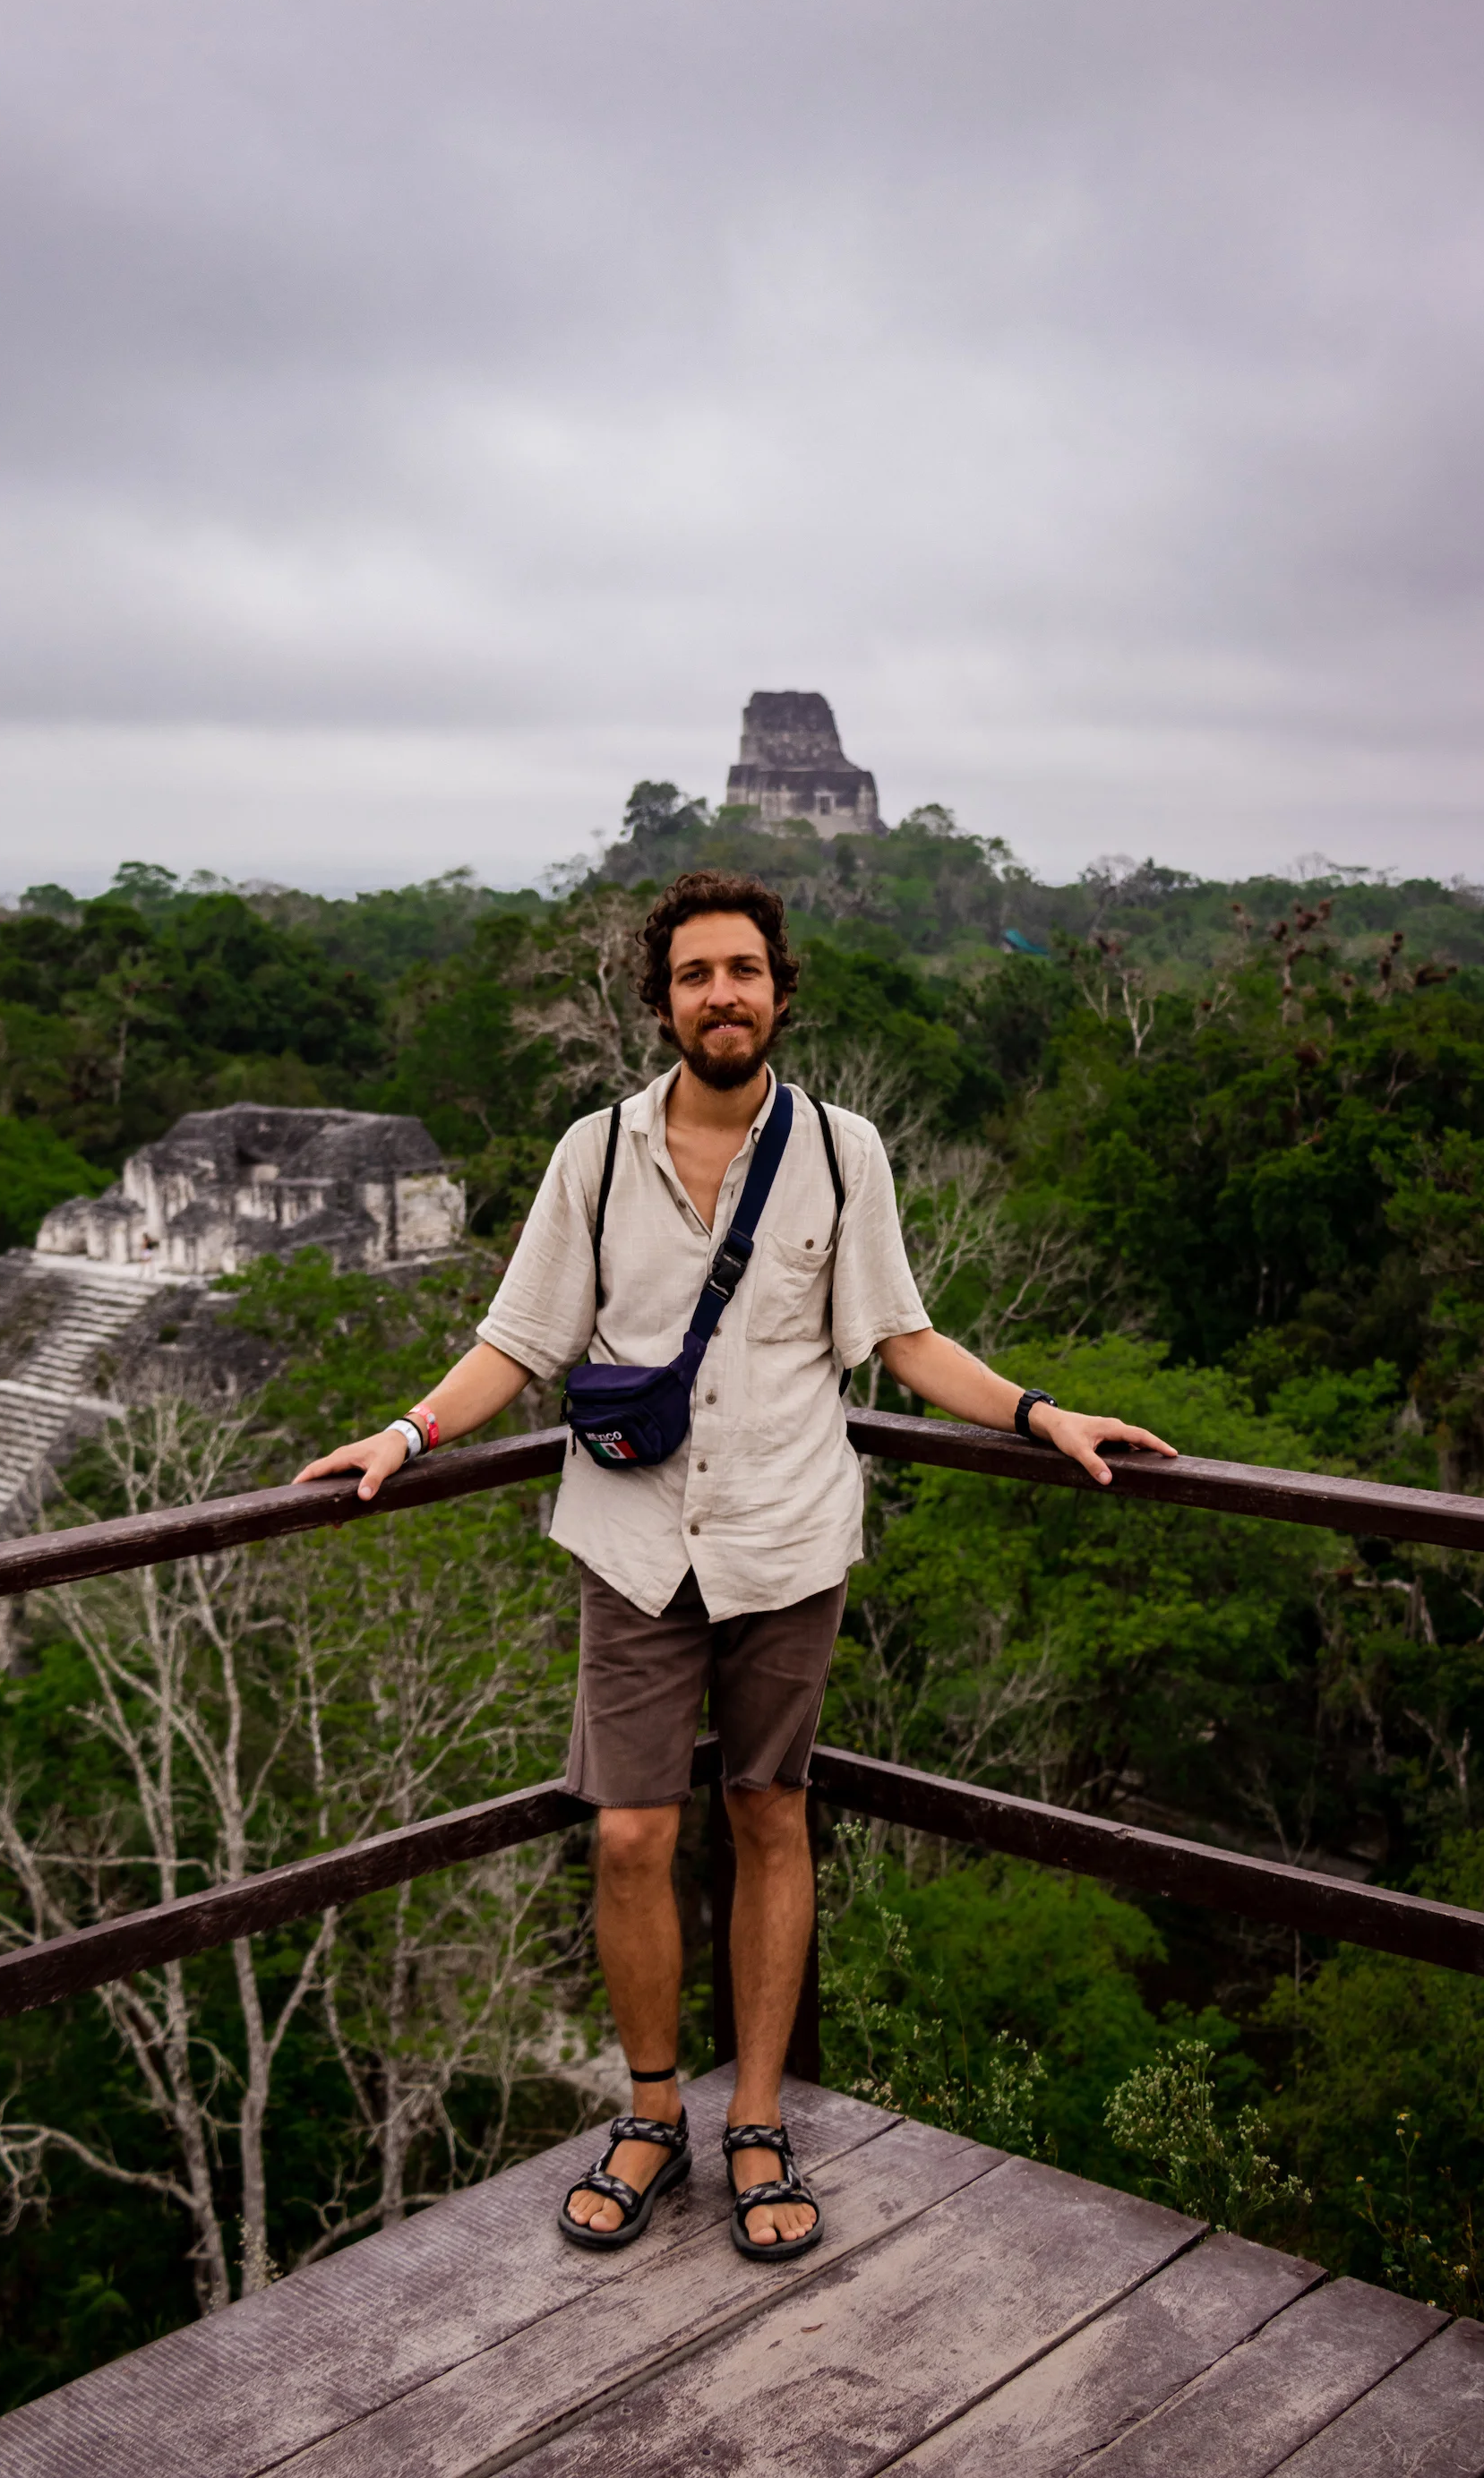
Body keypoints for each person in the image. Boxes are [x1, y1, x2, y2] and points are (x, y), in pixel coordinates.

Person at [296, 868, 1176, 2260]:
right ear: (663, 1004)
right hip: (635, 1543)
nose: (723, 995)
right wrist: (406, 1434)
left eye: (744, 972)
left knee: (771, 1815)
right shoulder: (595, 1154)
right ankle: (653, 2112)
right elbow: (518, 1340)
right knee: (631, 1833)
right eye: (697, 975)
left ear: (778, 991)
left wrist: (1038, 1412)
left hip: (787, 1537)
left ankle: (757, 2116)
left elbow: (901, 1337)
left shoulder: (841, 1150)